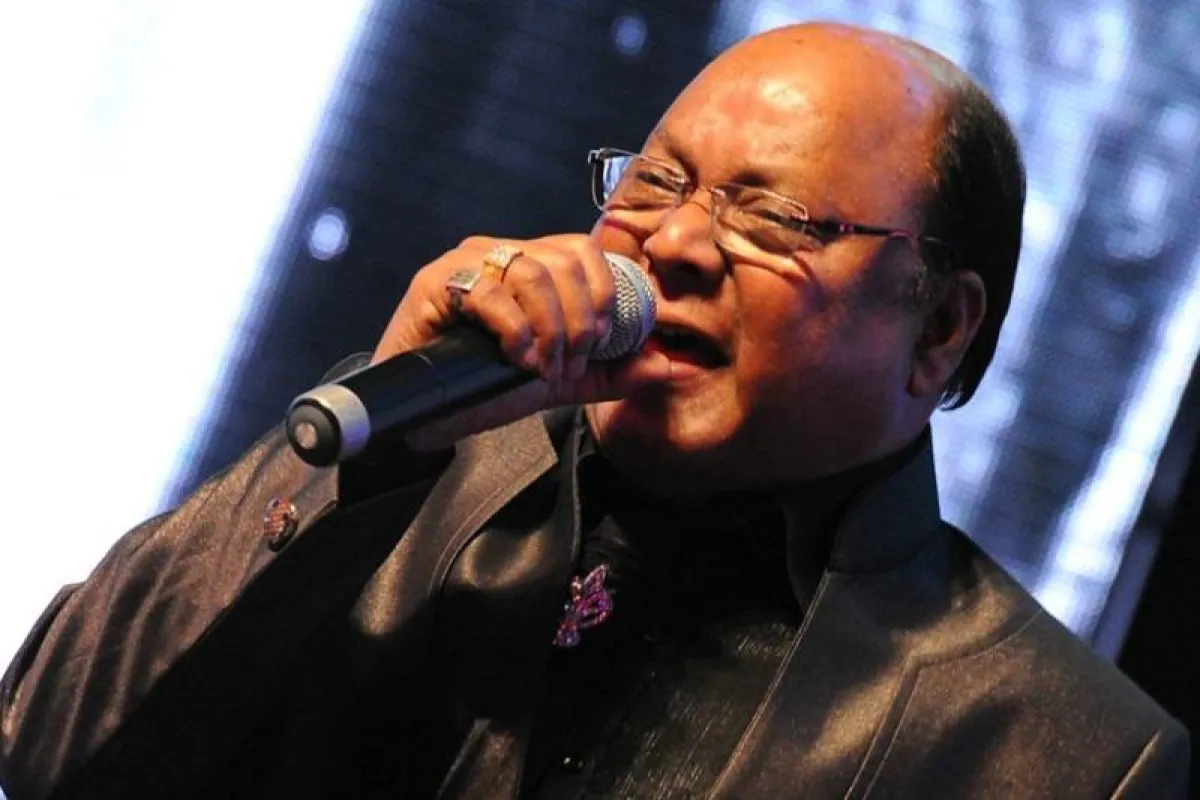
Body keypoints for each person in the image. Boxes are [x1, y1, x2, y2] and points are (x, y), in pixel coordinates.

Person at [0, 20, 1189, 800]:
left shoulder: (1062, 751)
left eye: (770, 217)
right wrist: (363, 465)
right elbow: (48, 744)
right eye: (655, 183)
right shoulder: (412, 473)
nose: (673, 243)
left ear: (938, 327)